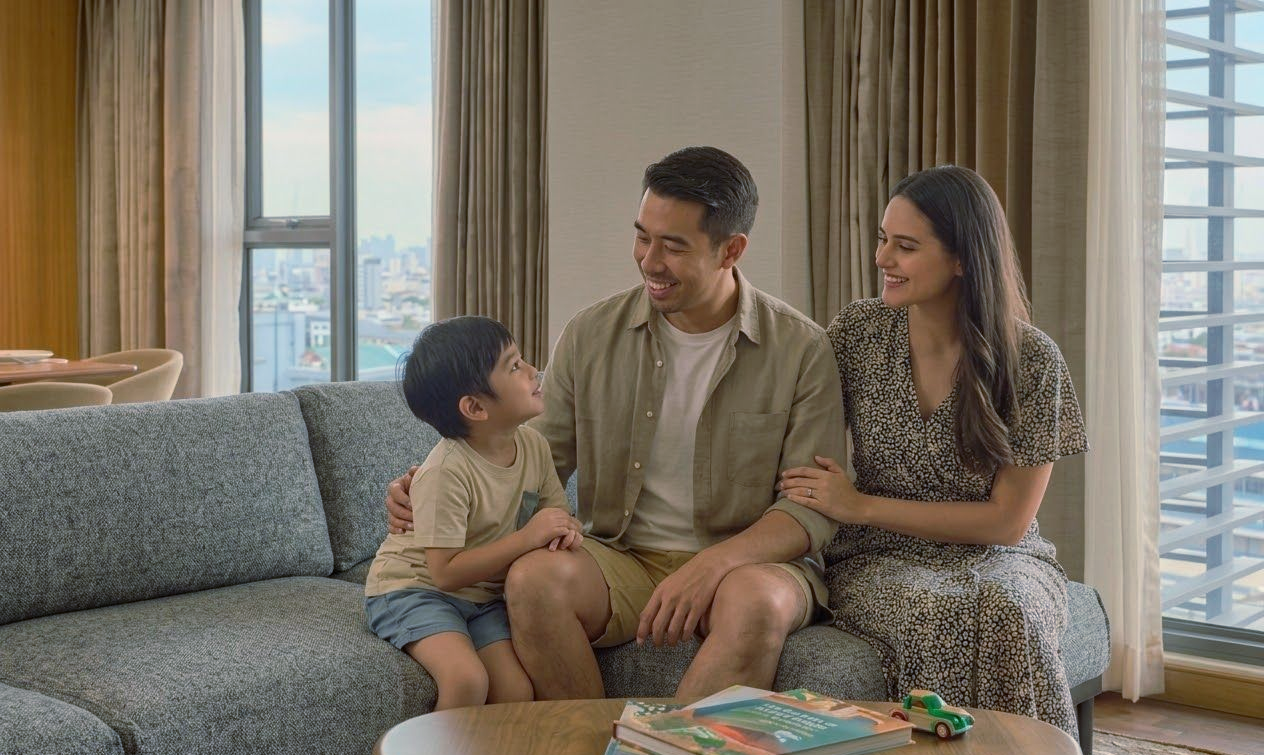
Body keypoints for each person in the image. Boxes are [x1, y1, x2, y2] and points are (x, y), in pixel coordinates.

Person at [386, 146, 846, 700]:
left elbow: (810, 508)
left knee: (757, 602)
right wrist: (439, 483)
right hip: (619, 555)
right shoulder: (591, 334)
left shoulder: (800, 349)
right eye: (642, 236)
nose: (649, 260)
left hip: (742, 566)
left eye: (673, 246)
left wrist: (712, 564)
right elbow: (529, 454)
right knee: (532, 581)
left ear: (732, 249)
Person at [777, 165, 1088, 734]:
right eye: (882, 239)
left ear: (963, 258)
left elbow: (1007, 524)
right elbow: (783, 398)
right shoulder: (859, 333)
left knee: (1007, 610)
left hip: (1003, 558)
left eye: (906, 246)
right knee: (936, 612)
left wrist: (860, 505)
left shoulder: (1032, 361)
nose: (882, 259)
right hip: (877, 557)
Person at [363, 316, 584, 710]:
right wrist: (528, 537)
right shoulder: (446, 470)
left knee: (515, 691)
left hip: (481, 597)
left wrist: (565, 530)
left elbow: (556, 513)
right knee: (466, 679)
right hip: (414, 590)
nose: (534, 371)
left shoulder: (533, 445)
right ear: (476, 407)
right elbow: (445, 573)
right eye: (514, 366)